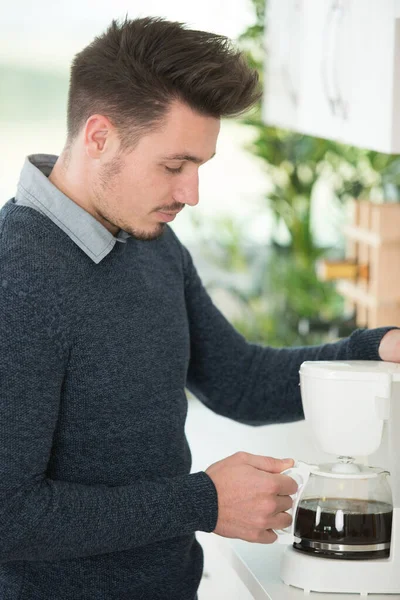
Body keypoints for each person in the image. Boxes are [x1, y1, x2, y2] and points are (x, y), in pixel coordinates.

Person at [0, 16, 399, 600]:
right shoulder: (17, 278)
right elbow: (8, 516)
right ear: (99, 137)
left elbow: (237, 379)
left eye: (200, 168)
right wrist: (204, 501)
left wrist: (372, 350)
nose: (191, 193)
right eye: (174, 166)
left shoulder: (147, 241)